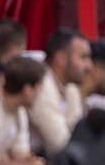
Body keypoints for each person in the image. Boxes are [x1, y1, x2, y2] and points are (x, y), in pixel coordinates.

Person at [28, 27, 90, 155]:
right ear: (60, 59)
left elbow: (77, 133)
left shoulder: (70, 86)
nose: (89, 66)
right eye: (83, 58)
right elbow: (59, 145)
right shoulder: (41, 84)